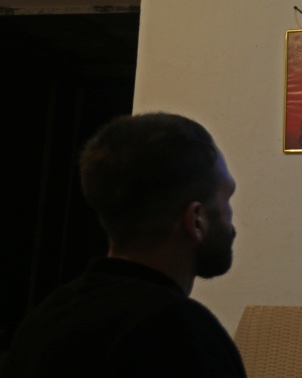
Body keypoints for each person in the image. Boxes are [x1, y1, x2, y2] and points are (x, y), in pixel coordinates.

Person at [1, 112, 246, 377]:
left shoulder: (44, 321)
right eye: (227, 198)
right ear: (196, 220)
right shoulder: (182, 335)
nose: (232, 217)